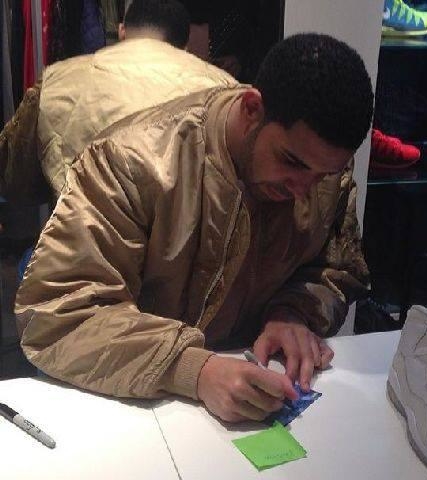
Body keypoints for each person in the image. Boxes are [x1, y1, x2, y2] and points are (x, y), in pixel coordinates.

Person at [16, 33, 374, 423]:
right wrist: (192, 369)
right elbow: (59, 315)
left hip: (255, 389)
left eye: (323, 175)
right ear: (252, 109)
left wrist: (292, 313)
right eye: (291, 162)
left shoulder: (323, 168)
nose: (302, 189)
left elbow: (337, 268)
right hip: (140, 403)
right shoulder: (131, 162)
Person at [0, 0, 235, 204]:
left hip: (83, 236)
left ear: (122, 31)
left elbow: (15, 178)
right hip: (185, 240)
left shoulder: (58, 79)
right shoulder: (225, 89)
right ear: (185, 45)